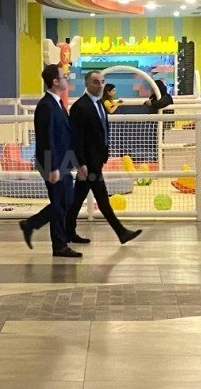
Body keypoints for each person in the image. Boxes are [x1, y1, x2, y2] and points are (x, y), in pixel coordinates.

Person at [68, 70, 142, 246]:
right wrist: (81, 163)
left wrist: (104, 153)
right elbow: (76, 138)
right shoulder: (80, 107)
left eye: (102, 82)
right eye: (96, 82)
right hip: (88, 162)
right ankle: (121, 232)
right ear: (86, 84)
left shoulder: (100, 105)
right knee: (101, 198)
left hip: (96, 160)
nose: (100, 85)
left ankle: (66, 230)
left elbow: (103, 131)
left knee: (77, 198)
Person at [20, 63, 80, 258]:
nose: (66, 79)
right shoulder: (46, 106)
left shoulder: (57, 104)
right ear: (55, 82)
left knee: (65, 201)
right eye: (64, 77)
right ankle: (59, 245)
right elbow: (46, 139)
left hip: (63, 161)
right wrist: (52, 167)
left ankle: (31, 224)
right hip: (53, 163)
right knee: (60, 203)